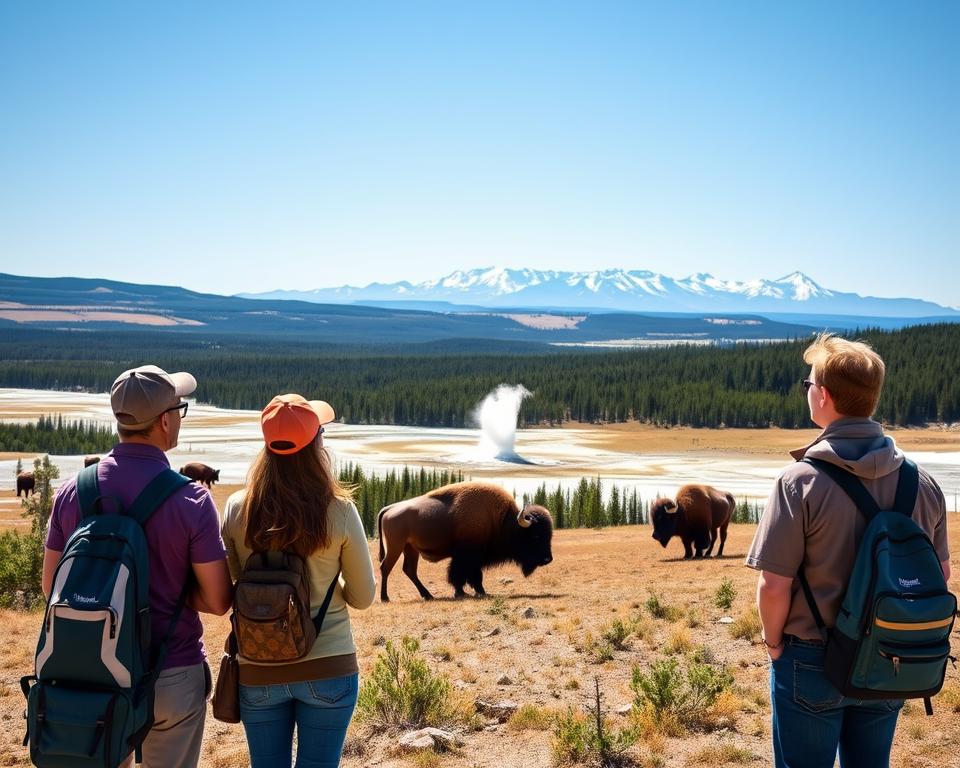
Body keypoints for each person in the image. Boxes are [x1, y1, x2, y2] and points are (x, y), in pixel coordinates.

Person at [746, 333, 951, 768]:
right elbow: (941, 575)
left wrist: (773, 643)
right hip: (889, 655)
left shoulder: (798, 482)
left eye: (809, 385)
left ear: (822, 396)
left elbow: (774, 584)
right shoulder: (925, 484)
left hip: (810, 657)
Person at [42, 364, 233, 768]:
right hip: (171, 673)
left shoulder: (72, 492)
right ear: (165, 421)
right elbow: (219, 601)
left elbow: (50, 588)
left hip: (91, 675)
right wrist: (178, 592)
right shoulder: (192, 502)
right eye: (180, 410)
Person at [221, 394, 376, 768]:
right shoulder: (339, 509)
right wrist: (326, 586)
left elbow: (236, 585)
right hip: (329, 666)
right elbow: (363, 596)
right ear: (316, 444)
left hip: (258, 669)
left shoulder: (238, 507)